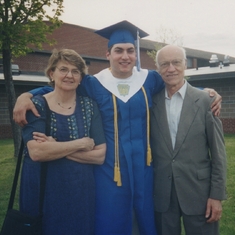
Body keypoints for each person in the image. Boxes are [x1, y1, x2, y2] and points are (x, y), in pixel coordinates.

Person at [13, 21, 222, 235]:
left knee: (147, 221)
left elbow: (177, 84)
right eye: (118, 50)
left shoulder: (149, 80)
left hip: (146, 168)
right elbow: (62, 84)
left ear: (136, 55)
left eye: (130, 51)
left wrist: (205, 91)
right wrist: (27, 95)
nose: (125, 56)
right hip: (109, 169)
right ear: (108, 54)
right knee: (110, 221)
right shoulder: (94, 83)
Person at [20, 49, 106, 235]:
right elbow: (37, 153)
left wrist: (54, 145)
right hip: (43, 192)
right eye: (63, 69)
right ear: (52, 73)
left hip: (80, 193)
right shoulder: (36, 106)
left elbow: (99, 156)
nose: (69, 75)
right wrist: (80, 144)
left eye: (75, 71)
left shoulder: (89, 107)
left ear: (81, 78)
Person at [150, 45, 227, 235]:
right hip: (163, 194)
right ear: (158, 68)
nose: (171, 68)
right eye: (165, 64)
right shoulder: (150, 103)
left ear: (185, 65)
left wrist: (216, 196)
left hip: (199, 193)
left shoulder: (205, 101)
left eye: (176, 62)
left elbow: (219, 155)